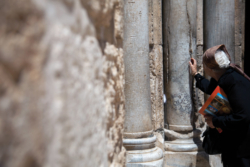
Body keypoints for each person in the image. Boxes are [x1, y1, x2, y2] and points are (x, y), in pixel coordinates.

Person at [189, 44, 250, 167]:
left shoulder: (234, 81)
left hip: (243, 149)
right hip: (234, 145)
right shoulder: (224, 77)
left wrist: (215, 121)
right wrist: (196, 75)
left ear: (209, 68)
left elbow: (244, 116)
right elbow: (211, 89)